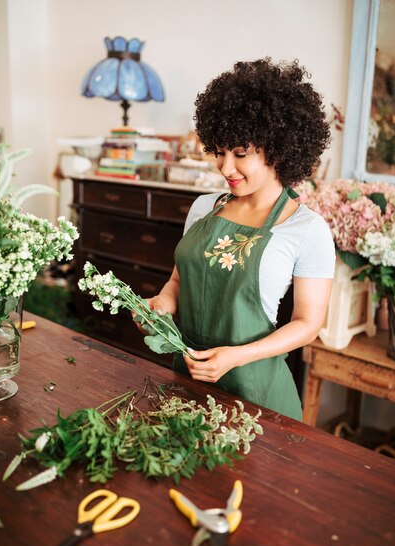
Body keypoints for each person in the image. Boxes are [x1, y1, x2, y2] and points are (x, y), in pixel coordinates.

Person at [140, 58, 335, 421]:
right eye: (220, 152)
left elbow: (308, 323)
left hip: (256, 398)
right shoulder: (203, 208)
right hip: (187, 379)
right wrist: (162, 304)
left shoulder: (307, 229)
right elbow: (180, 279)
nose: (225, 168)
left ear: (278, 150)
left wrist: (235, 356)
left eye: (240, 154)